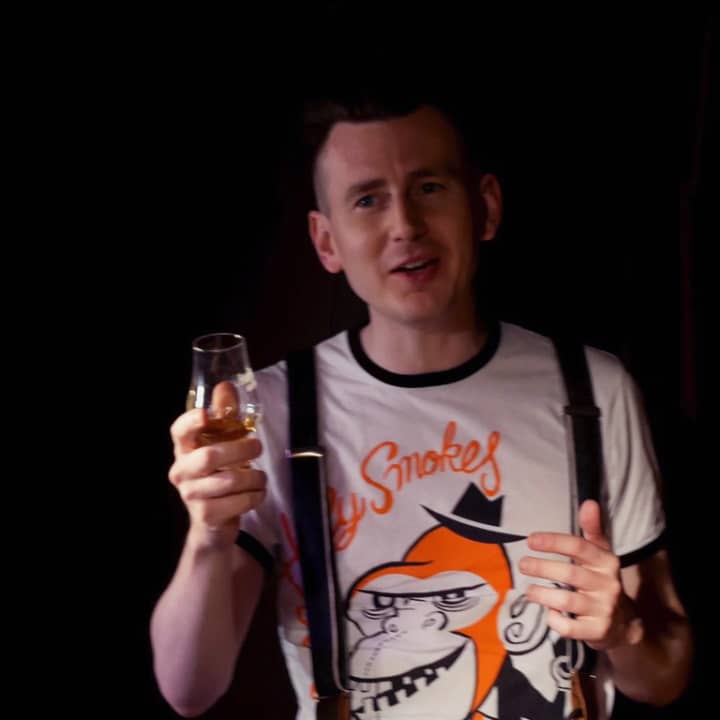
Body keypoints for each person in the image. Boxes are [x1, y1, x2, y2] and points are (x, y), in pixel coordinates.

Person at [150, 87, 693, 719]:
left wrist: (623, 631)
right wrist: (209, 536)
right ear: (326, 241)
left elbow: (665, 678)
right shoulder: (275, 408)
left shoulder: (594, 390)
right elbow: (189, 689)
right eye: (368, 199)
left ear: (485, 208)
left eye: (429, 188)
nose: (404, 225)